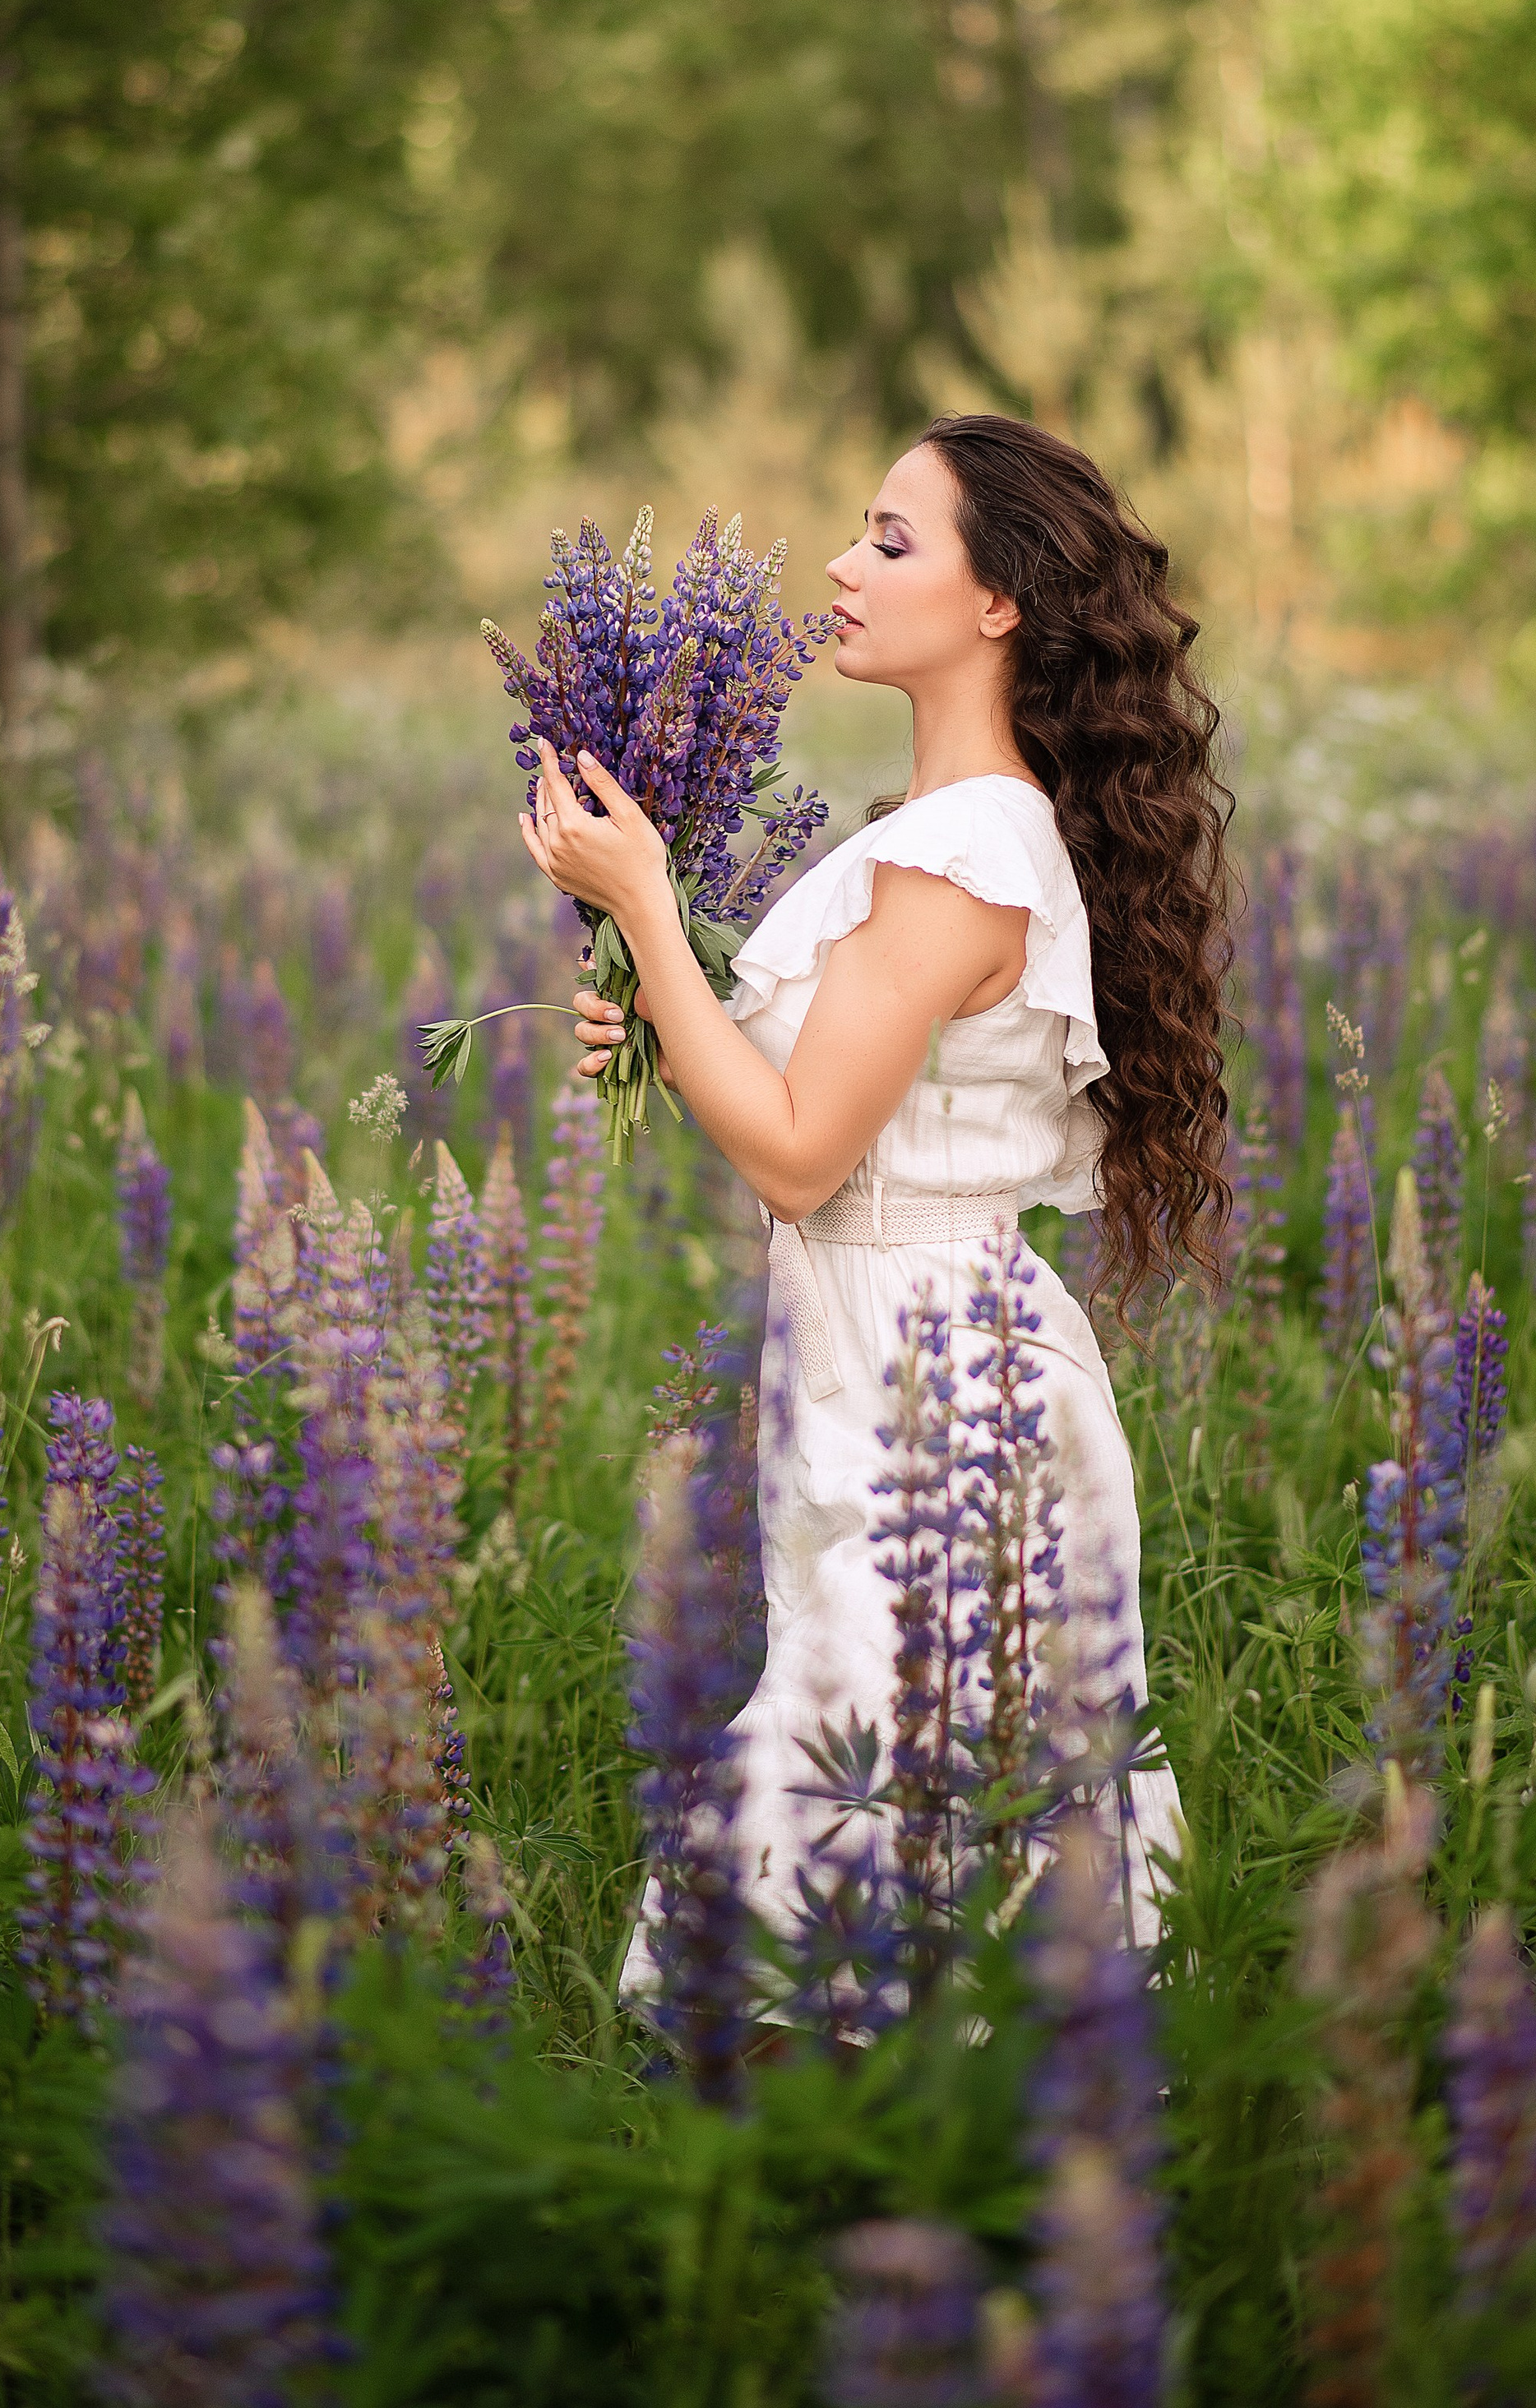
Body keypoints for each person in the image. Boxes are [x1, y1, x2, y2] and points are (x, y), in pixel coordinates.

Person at [519, 414, 1230, 1951]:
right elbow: (810, 1100)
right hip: (893, 1341)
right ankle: (896, 2167)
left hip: (932, 1379)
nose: (842, 567)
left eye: (891, 541)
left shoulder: (957, 853)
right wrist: (663, 1004)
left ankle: (871, 2163)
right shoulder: (952, 831)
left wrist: (646, 905)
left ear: (1000, 604)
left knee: (880, 1786)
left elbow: (796, 1154)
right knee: (903, 1787)